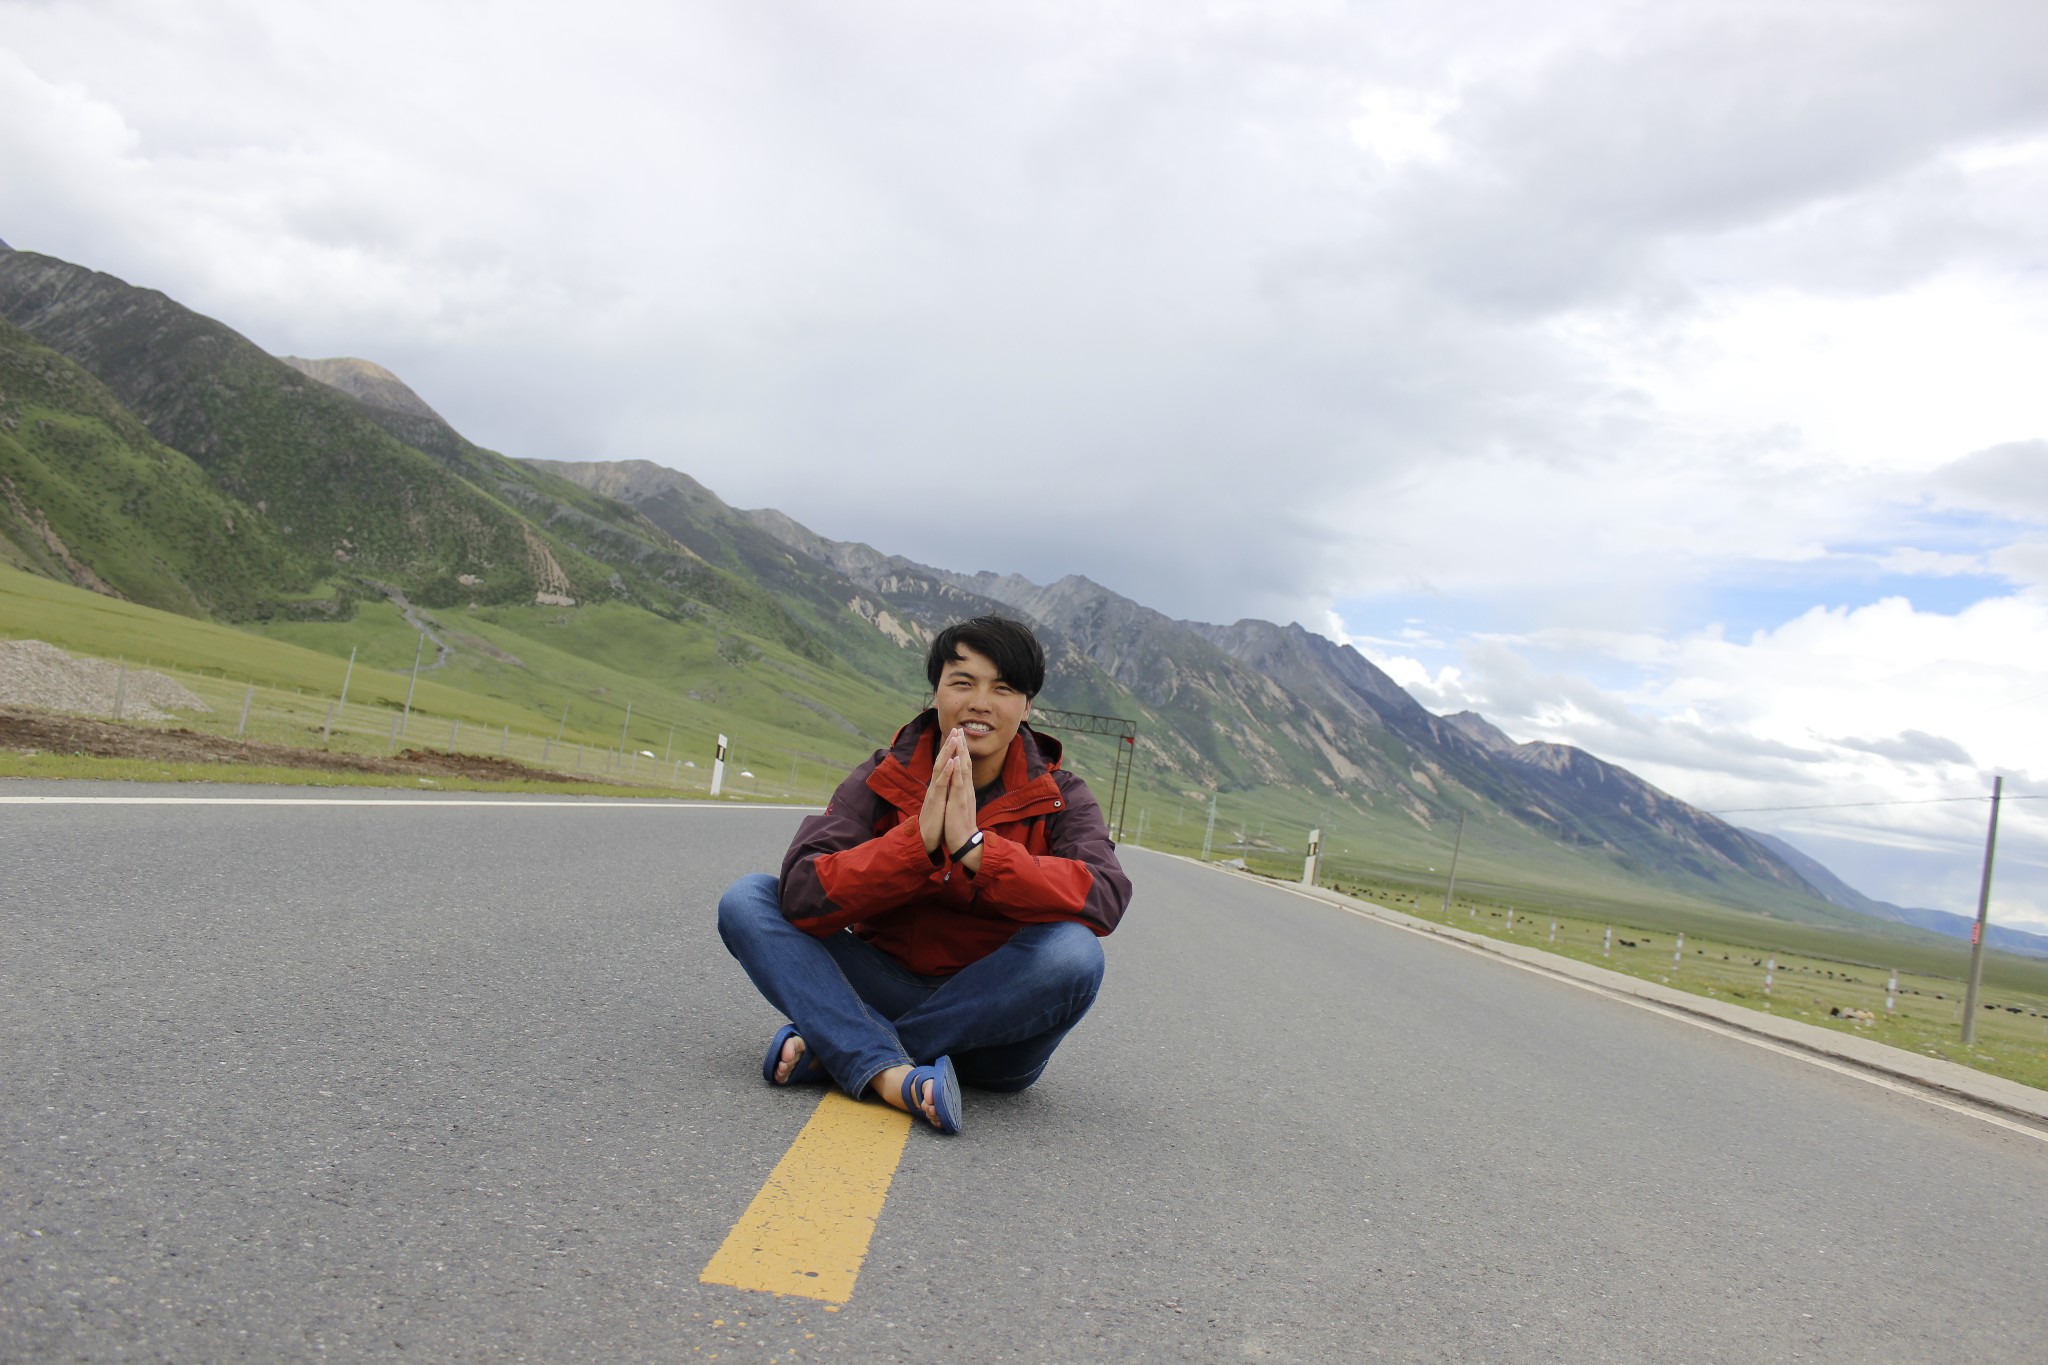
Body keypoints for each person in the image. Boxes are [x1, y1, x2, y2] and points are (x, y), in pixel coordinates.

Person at [716, 615, 1132, 1134]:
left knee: (1074, 953)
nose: (980, 702)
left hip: (998, 1024)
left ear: (1027, 706)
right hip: (882, 985)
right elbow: (802, 891)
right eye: (963, 682)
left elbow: (1105, 895)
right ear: (936, 692)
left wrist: (977, 851)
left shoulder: (1062, 795)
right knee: (748, 899)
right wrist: (916, 845)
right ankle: (887, 1067)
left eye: (1002, 688)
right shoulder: (883, 776)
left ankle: (845, 1049)